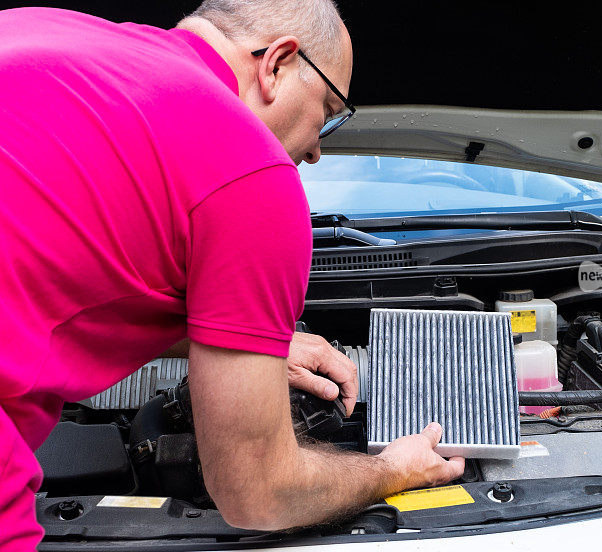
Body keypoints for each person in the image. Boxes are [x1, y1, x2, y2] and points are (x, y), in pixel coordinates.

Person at [0, 1, 464, 548]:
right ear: (278, 64)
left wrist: (245, 342)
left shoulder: (33, 26)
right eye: (330, 112)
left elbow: (62, 267)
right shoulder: (250, 171)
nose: (317, 149)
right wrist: (395, 471)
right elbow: (256, 494)